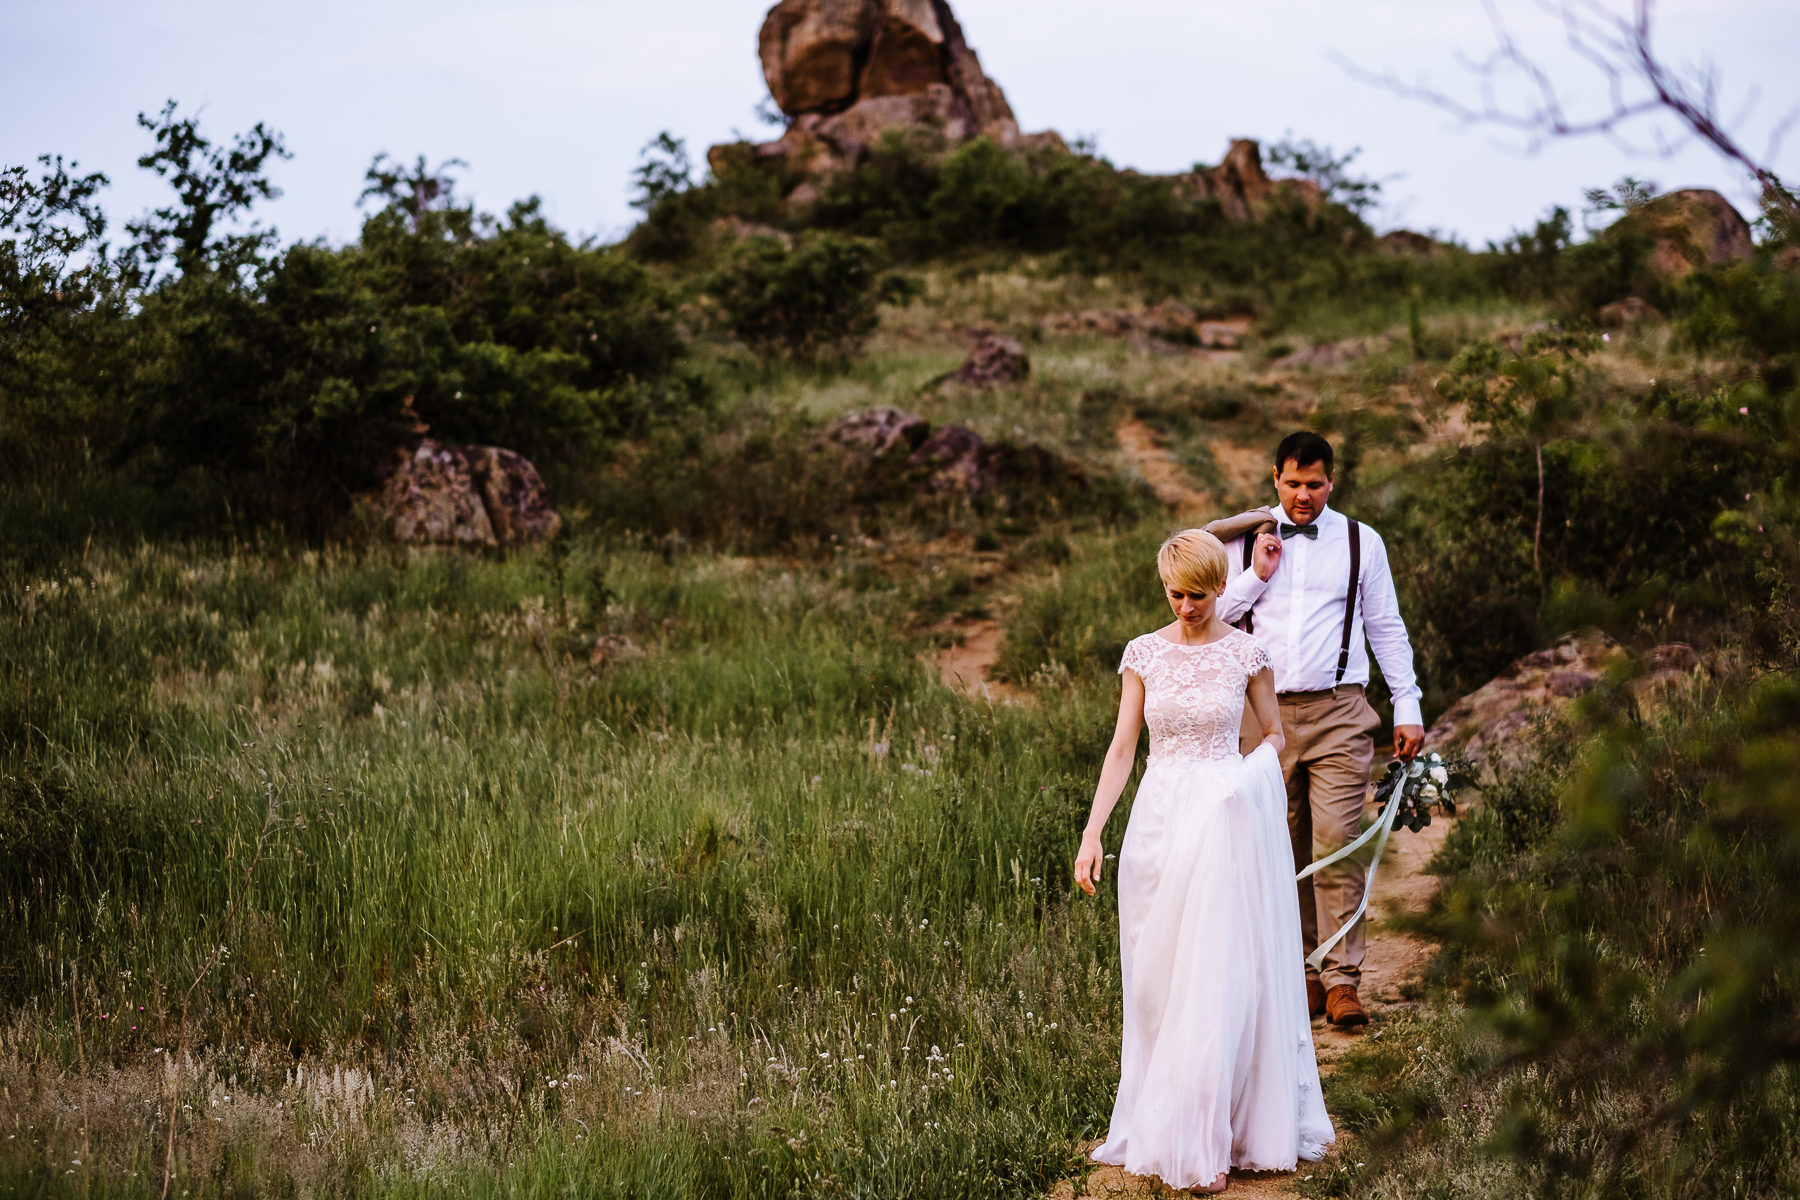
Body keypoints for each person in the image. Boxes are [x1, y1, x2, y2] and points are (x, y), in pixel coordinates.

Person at [1074, 529, 1333, 1194]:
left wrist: (1242, 783)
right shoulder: (1143, 655)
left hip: (1222, 815)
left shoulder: (1247, 654)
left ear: (1222, 587)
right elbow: (1123, 748)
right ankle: (1162, 1117)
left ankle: (1210, 1139)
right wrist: (1093, 831)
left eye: (1197, 594)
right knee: (1158, 985)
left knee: (1214, 978)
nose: (1185, 605)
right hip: (1158, 822)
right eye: (1174, 593)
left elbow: (1274, 734)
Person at [1207, 431, 1425, 1029]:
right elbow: (1205, 615)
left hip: (1339, 711)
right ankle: (1299, 972)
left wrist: (1408, 705)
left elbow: (1386, 626)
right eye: (1293, 483)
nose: (1304, 495)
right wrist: (1254, 574)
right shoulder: (1241, 540)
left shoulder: (1362, 541)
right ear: (1274, 477)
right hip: (1261, 714)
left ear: (1333, 481)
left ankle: (1342, 980)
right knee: (1279, 845)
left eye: (1316, 483)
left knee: (1335, 842)